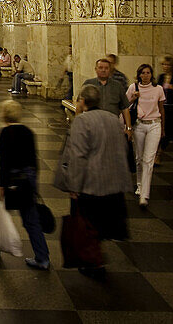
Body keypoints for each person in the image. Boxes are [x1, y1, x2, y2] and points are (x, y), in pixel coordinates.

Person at [54, 84, 133, 277]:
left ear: (82, 101)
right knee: (102, 222)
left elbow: (78, 156)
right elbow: (121, 148)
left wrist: (74, 185)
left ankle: (93, 262)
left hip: (91, 184)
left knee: (88, 223)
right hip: (112, 182)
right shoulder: (113, 119)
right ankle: (96, 257)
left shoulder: (82, 121)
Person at [0, 99, 50, 269]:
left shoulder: (6, 133)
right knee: (31, 221)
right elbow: (34, 160)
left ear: (3, 115)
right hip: (27, 181)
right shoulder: (28, 132)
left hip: (12, 181)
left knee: (0, 214)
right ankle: (42, 257)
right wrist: (34, 184)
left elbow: (4, 162)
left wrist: (1, 185)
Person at [128, 63, 165, 208]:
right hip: (139, 125)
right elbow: (125, 105)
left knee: (148, 160)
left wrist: (162, 128)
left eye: (148, 73)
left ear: (152, 74)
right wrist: (133, 97)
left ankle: (144, 194)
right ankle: (139, 184)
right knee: (139, 158)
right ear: (139, 75)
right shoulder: (133, 87)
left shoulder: (158, 89)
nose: (145, 75)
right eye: (143, 73)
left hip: (154, 124)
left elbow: (161, 109)